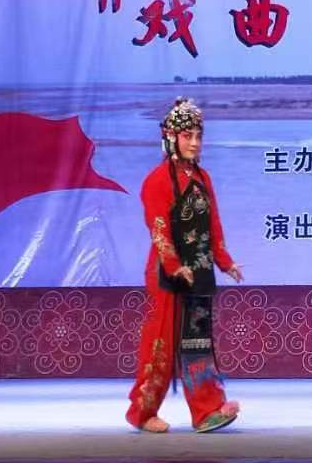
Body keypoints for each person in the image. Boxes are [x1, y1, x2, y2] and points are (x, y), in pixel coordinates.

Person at [125, 97, 244, 433]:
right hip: (167, 275)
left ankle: (207, 410)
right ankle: (142, 412)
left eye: (198, 136)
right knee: (160, 344)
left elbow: (213, 225)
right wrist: (174, 265)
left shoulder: (203, 177)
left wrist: (225, 261)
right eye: (187, 136)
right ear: (171, 138)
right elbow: (159, 230)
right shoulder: (157, 180)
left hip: (199, 271)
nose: (194, 143)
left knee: (198, 342)